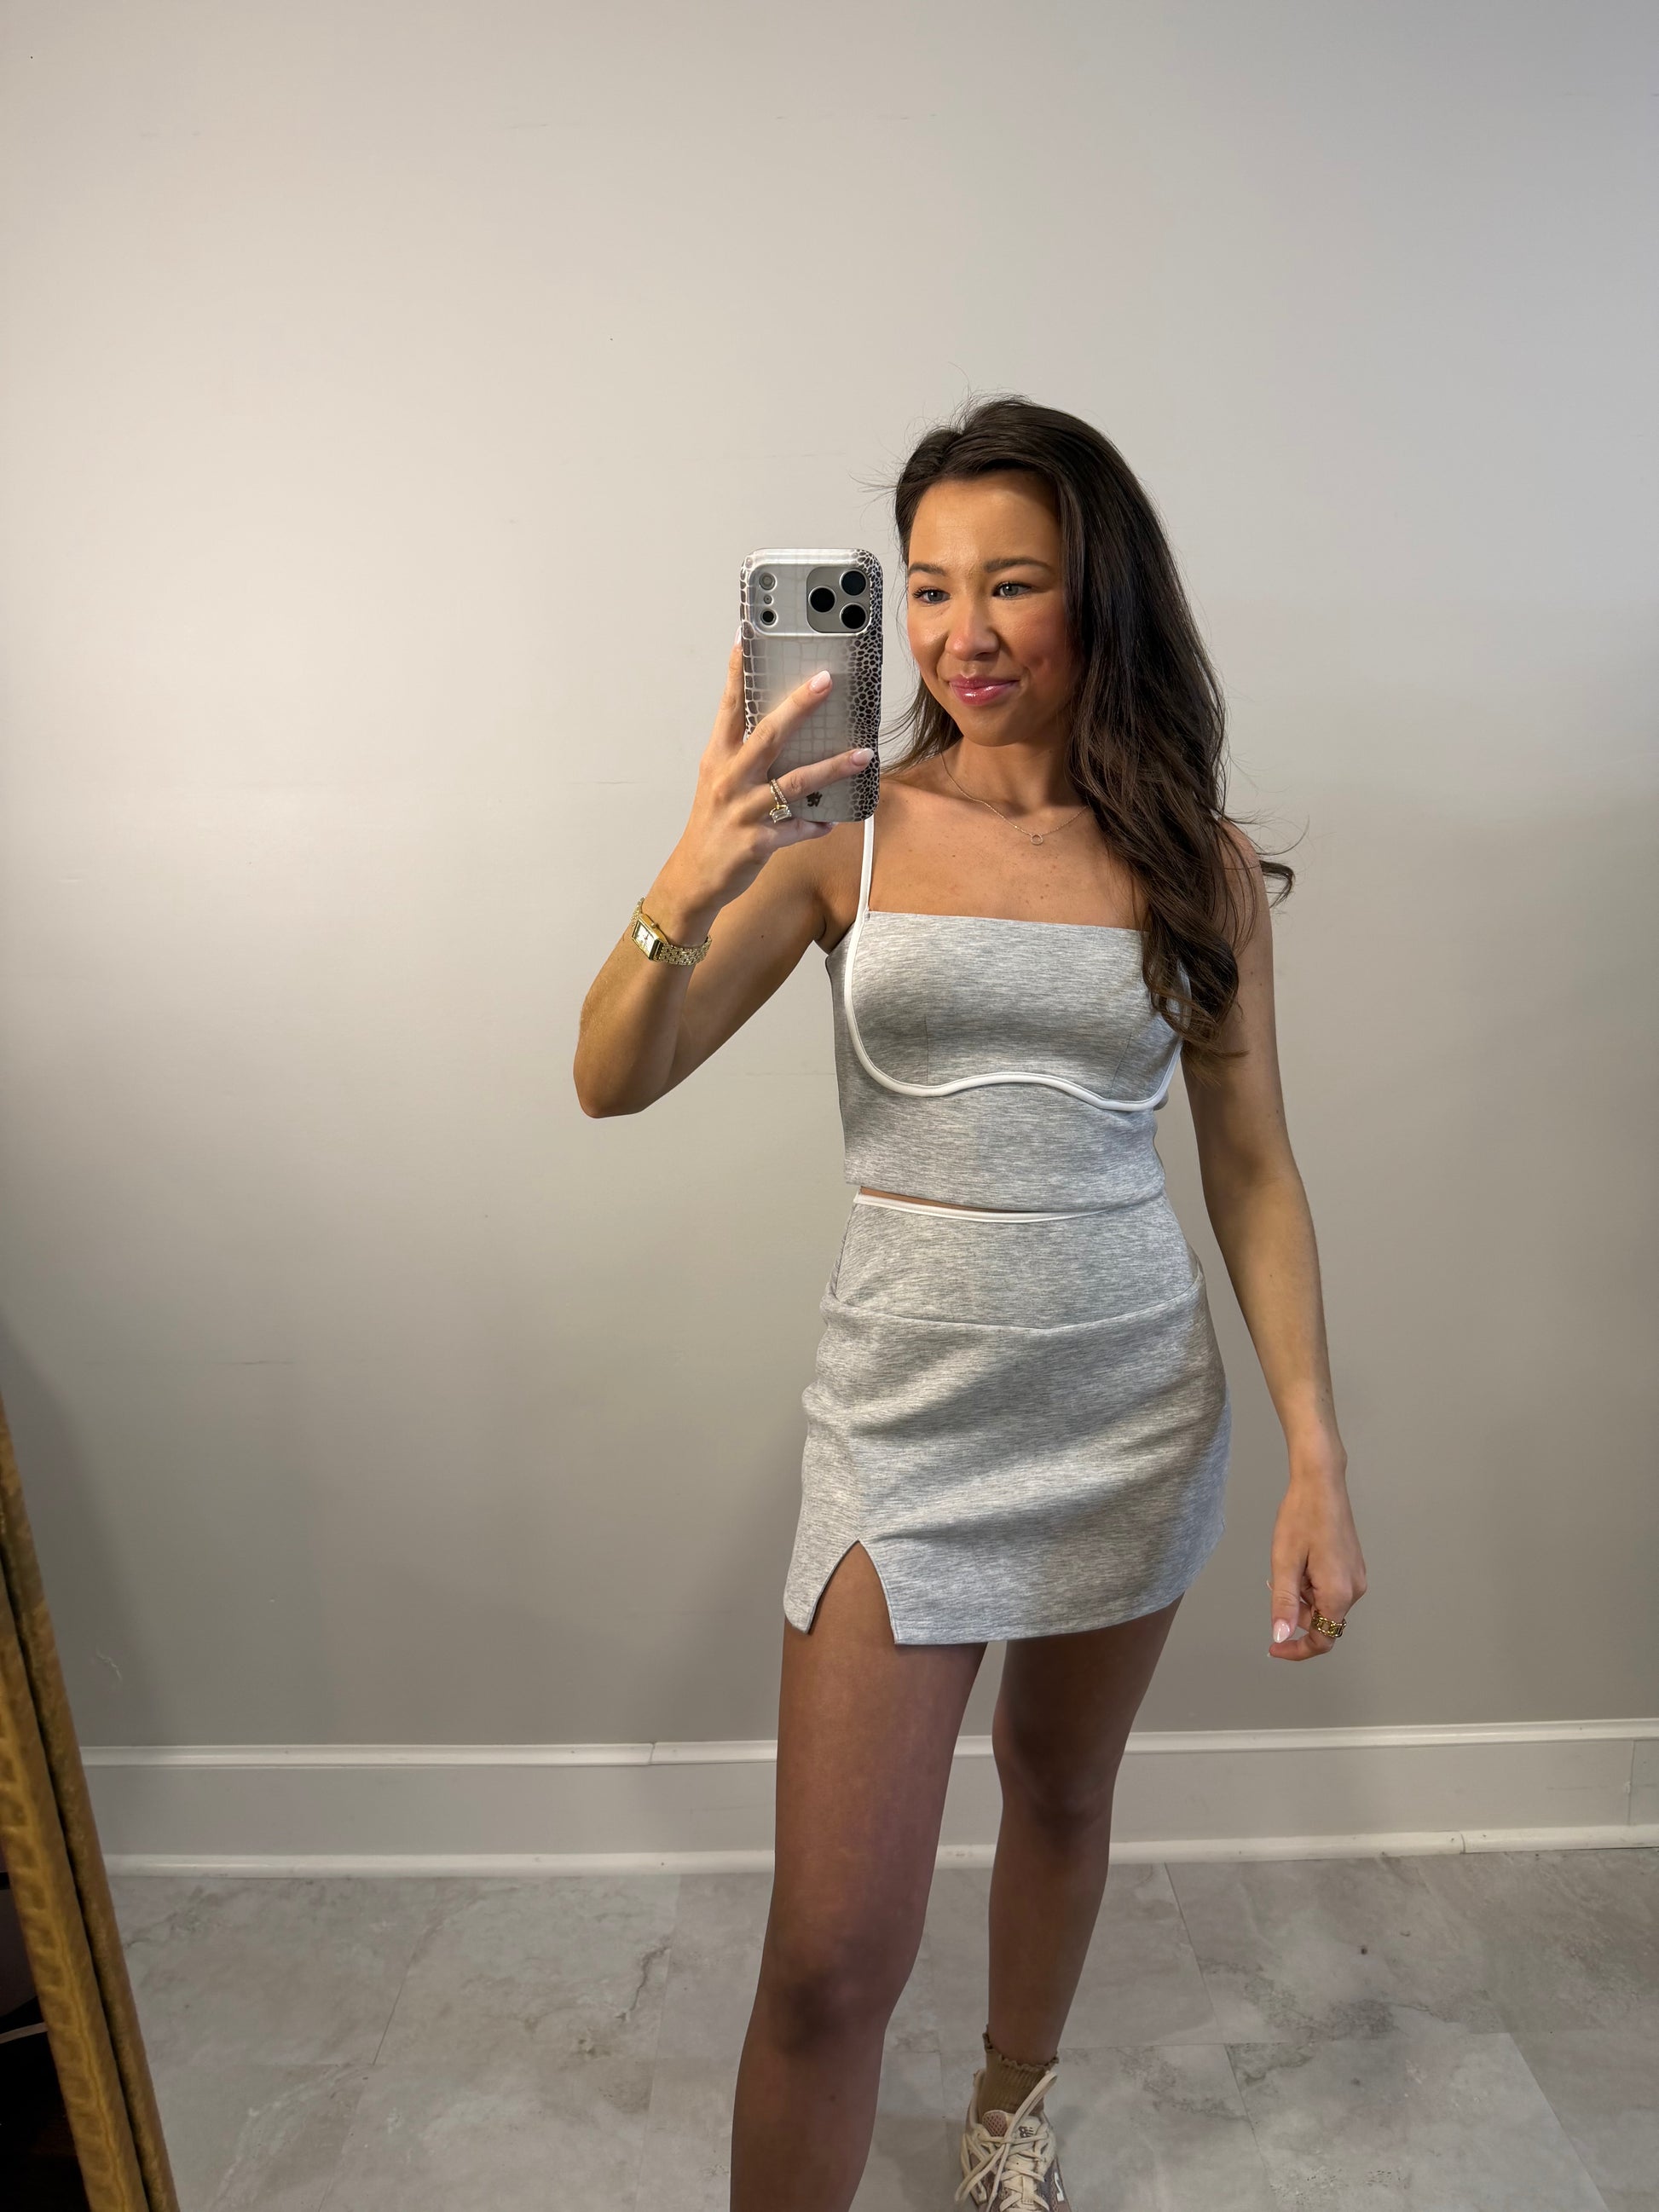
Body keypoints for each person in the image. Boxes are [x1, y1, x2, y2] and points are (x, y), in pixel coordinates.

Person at [574, 396, 1367, 2211]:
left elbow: (1253, 1168)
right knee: (825, 1957)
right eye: (927, 588)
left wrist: (1317, 1458)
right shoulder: (837, 835)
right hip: (905, 1429)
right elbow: (611, 1078)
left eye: (1012, 582)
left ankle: (1010, 2109)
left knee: (1061, 1792)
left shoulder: (1188, 860)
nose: (962, 632)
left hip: (1129, 1410)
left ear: (1101, 592)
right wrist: (688, 875)